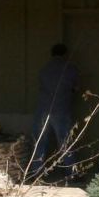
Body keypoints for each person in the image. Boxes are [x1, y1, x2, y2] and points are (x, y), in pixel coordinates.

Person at [29, 43, 79, 178]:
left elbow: (41, 86)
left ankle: (36, 173)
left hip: (43, 109)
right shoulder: (70, 69)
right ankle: (71, 173)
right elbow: (75, 88)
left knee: (40, 142)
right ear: (65, 54)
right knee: (65, 142)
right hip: (61, 109)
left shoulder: (44, 69)